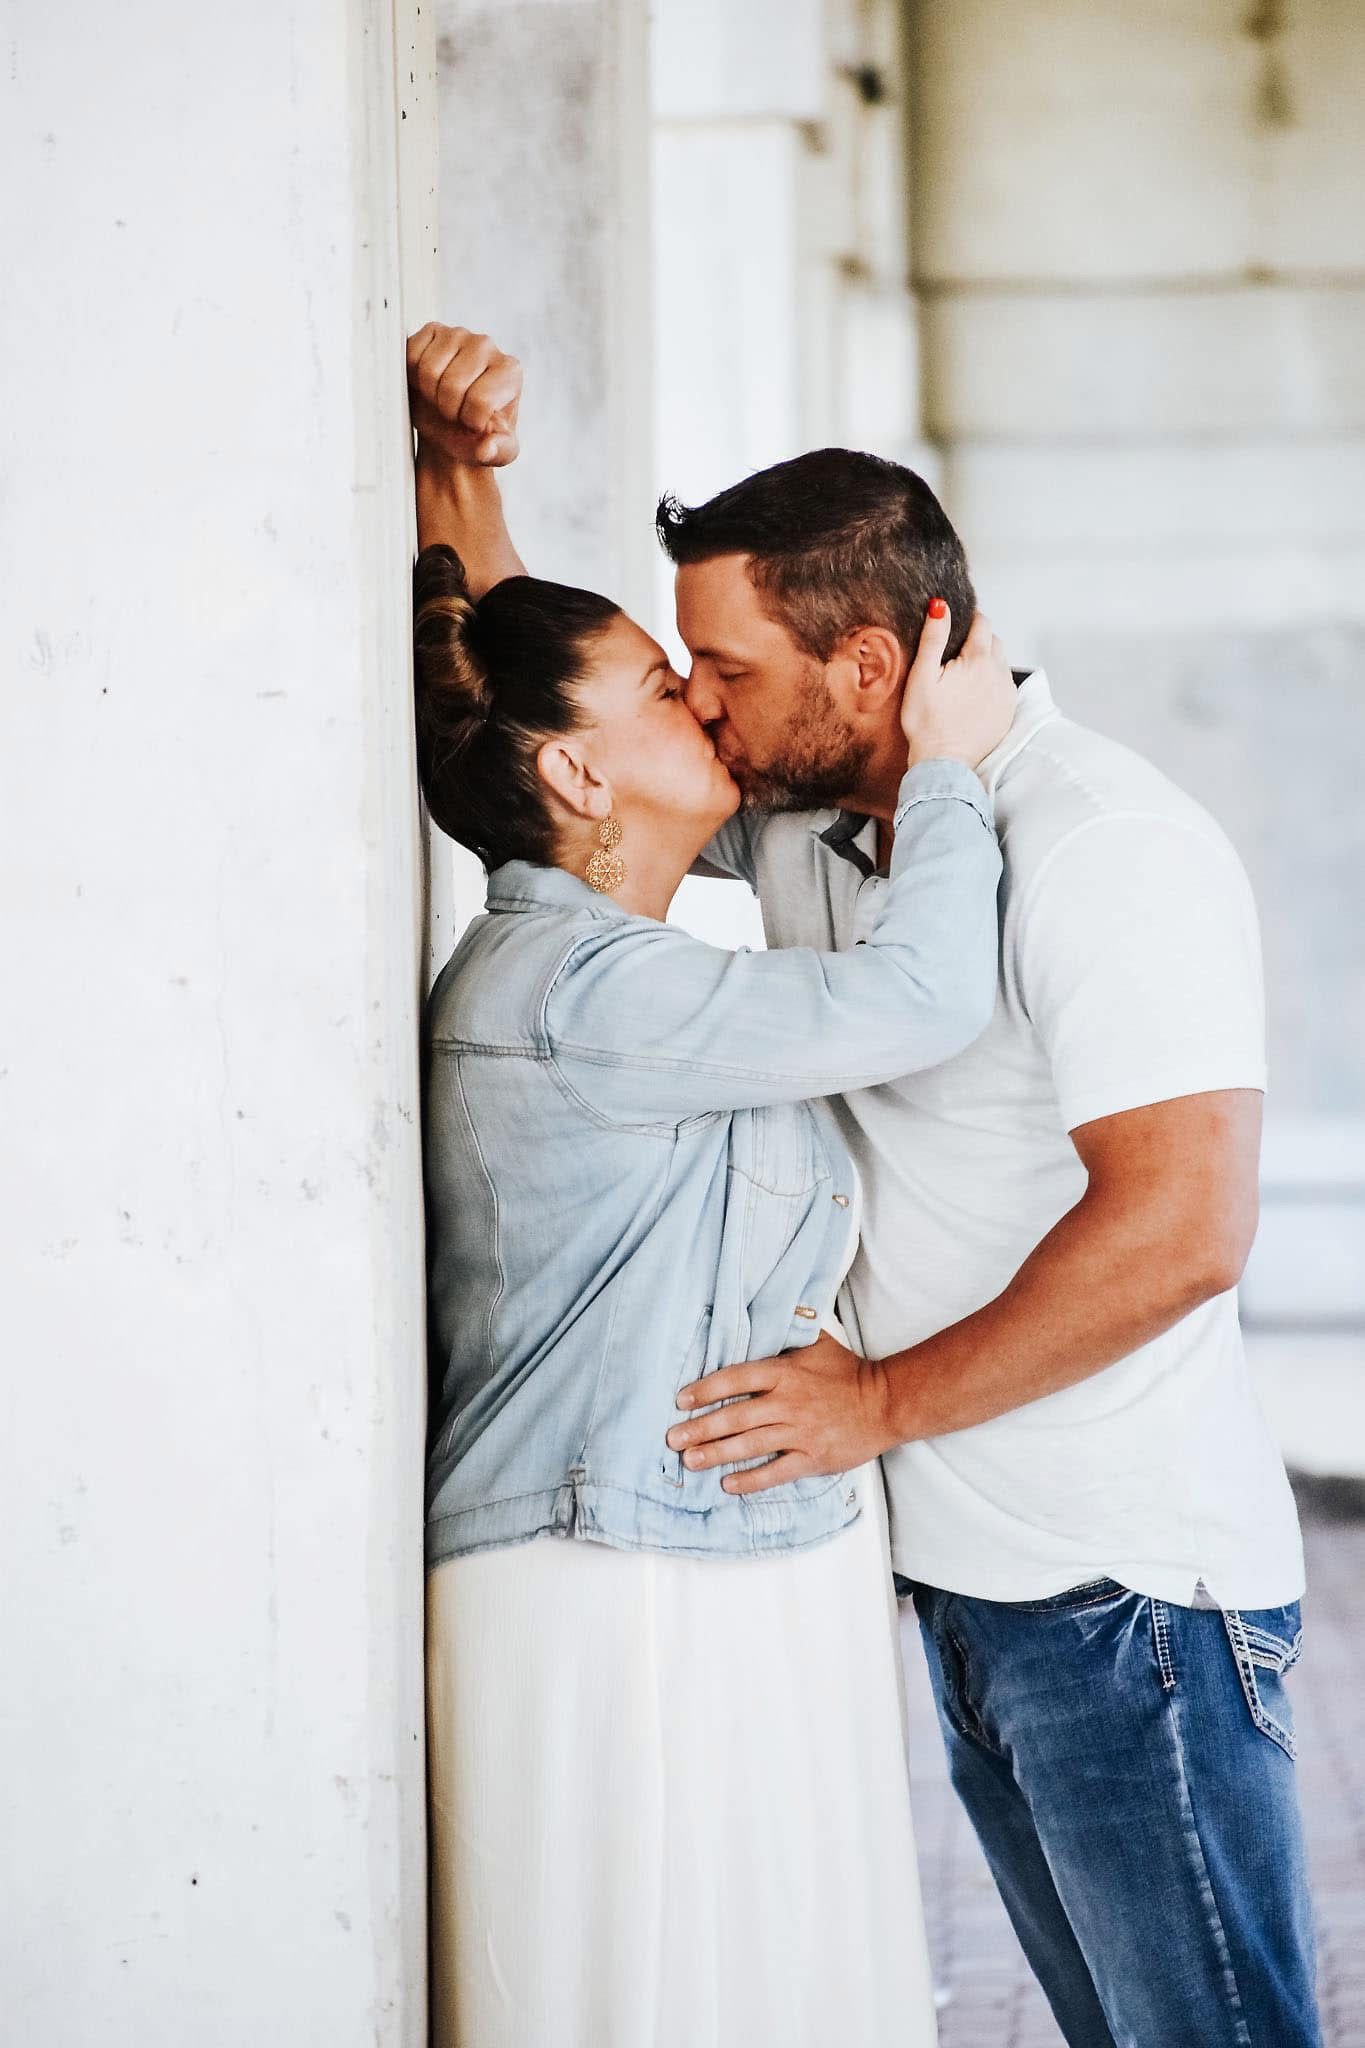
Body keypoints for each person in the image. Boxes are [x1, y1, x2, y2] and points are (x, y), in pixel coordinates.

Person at [410, 323, 1325, 2048]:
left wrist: (881, 1404)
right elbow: (555, 747)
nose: (701, 702)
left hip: (1126, 1591)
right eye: (686, 672)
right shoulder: (811, 818)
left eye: (724, 668)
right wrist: (457, 480)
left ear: (872, 665)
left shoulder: (1102, 846)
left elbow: (1184, 1229)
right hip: (965, 1579)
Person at [407, 324, 1018, 2047]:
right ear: (579, 776)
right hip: (609, 1579)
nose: (701, 696)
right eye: (667, 688)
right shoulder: (582, 992)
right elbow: (919, 997)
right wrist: (950, 768)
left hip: (702, 1550)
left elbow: (517, 680)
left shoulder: (614, 959)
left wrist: (461, 486)